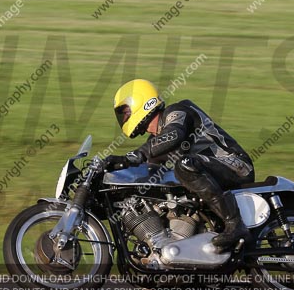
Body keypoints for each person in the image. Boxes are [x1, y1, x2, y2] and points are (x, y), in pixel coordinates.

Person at [105, 79, 255, 251]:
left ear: (143, 101)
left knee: (184, 165)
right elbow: (148, 169)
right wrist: (115, 170)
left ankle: (235, 225)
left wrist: (133, 156)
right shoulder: (156, 140)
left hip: (236, 165)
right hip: (211, 171)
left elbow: (174, 135)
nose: (124, 117)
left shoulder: (178, 111)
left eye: (125, 111)